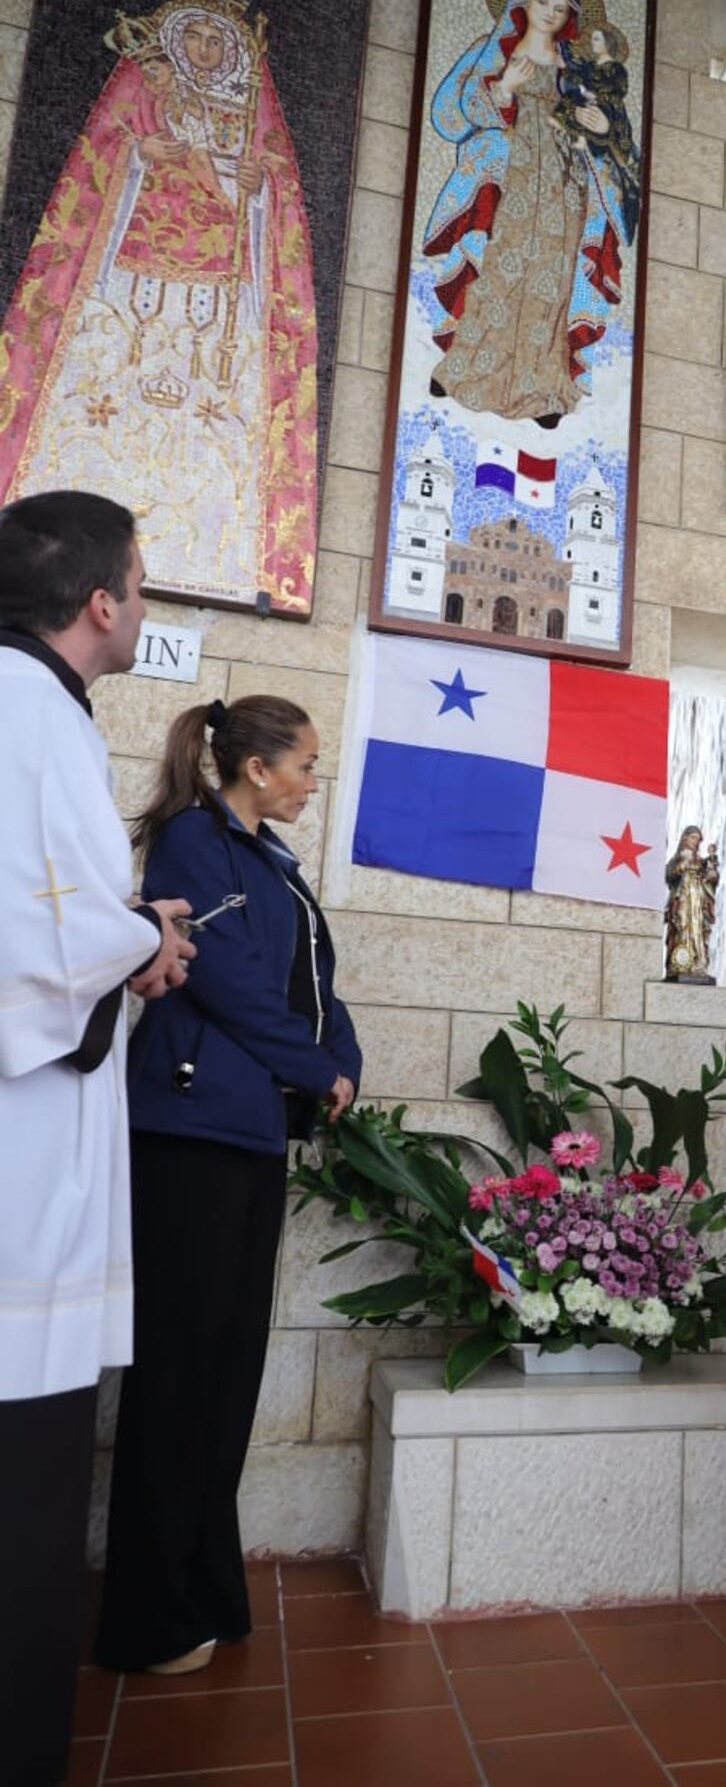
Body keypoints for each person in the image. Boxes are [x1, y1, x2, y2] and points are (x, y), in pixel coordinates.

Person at [95, 695, 361, 1677]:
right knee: (179, 1372)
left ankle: (203, 1589)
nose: (312, 782)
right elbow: (230, 984)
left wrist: (343, 1062)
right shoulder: (193, 841)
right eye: (306, 765)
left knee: (226, 1368)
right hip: (190, 1133)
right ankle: (151, 1618)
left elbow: (313, 986)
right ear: (257, 768)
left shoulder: (272, 862)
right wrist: (314, 1067)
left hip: (249, 1131)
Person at [0, 490, 194, 1786]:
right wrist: (146, 941)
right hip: (23, 1170)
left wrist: (125, 935)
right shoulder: (31, 712)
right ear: (98, 603)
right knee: (24, 1489)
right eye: (141, 579)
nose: (145, 601)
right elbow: (45, 930)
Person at [0, 0, 318, 613]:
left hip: (220, 287)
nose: (204, 50)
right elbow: (99, 155)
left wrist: (257, 189)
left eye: (216, 41)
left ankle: (207, 544)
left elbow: (275, 192)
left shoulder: (247, 107)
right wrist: (140, 155)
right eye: (193, 36)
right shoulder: (145, 90)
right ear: (173, 40)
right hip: (131, 271)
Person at [423, 0, 631, 427]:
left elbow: (606, 128)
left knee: (552, 281)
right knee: (499, 269)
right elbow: (455, 114)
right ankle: (463, 369)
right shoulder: (494, 52)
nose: (550, 14)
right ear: (524, 1)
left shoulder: (575, 68)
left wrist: (601, 126)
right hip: (510, 178)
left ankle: (544, 389)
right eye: (542, 2)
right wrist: (504, 89)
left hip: (563, 185)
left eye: (560, 8)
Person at [554, 21, 641, 243]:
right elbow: (575, 78)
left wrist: (597, 97)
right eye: (592, 38)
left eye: (596, 39)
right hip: (586, 109)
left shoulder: (616, 69)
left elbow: (617, 93)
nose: (592, 43)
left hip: (608, 112)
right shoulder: (588, 66)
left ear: (607, 43)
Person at [664, 825, 719, 982]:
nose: (696, 842)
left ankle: (698, 962)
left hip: (698, 900)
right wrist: (682, 865)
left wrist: (712, 871)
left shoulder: (701, 861)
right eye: (694, 838)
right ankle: (680, 963)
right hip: (682, 899)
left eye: (698, 839)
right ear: (685, 838)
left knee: (698, 928)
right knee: (682, 925)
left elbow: (711, 879)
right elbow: (669, 876)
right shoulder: (676, 859)